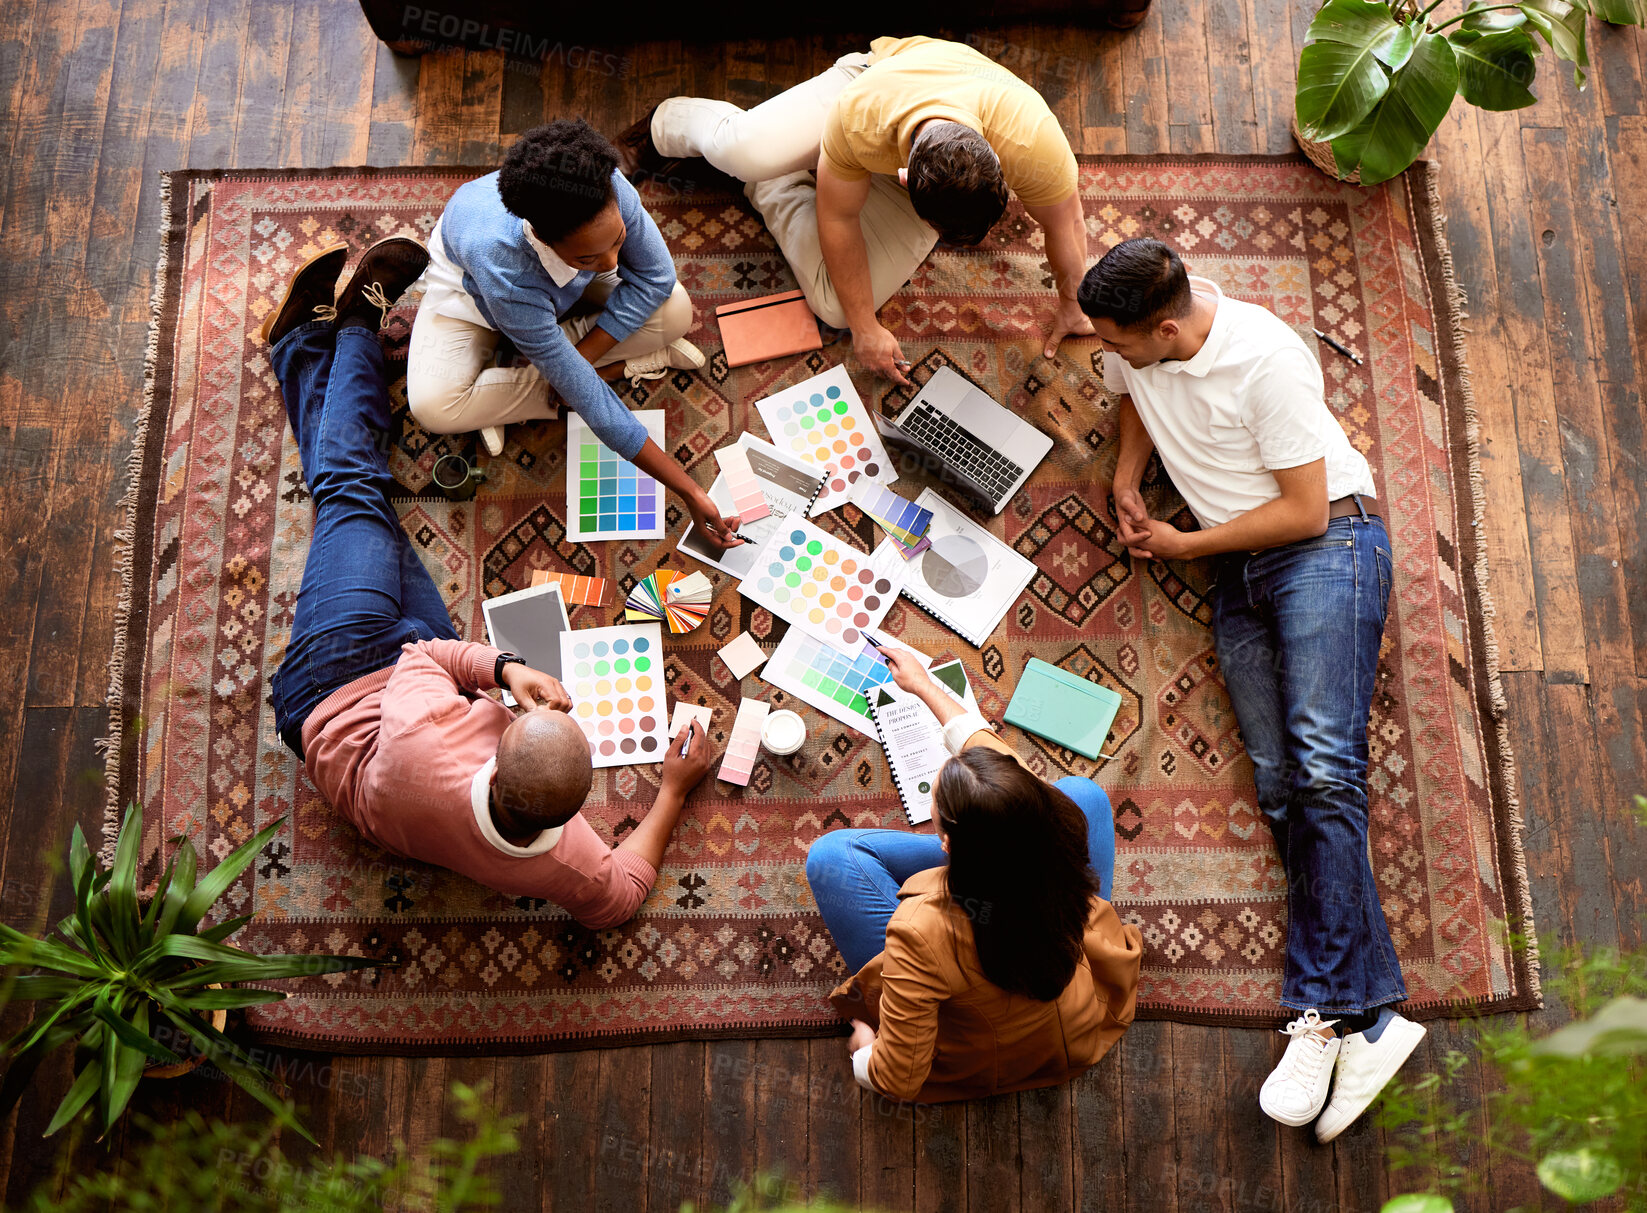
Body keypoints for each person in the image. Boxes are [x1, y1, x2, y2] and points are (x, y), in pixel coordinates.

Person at [261, 239, 717, 930]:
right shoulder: (561, 857)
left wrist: (503, 668)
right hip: (405, 695)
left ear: (495, 754)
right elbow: (620, 899)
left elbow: (423, 660)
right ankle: (308, 339)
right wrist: (675, 791)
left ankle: (344, 330)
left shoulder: (428, 733)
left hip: (332, 686)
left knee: (354, 491)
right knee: (367, 511)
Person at [1078, 237, 1426, 1140]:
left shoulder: (1265, 361)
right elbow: (1133, 399)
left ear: (1164, 325)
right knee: (1281, 785)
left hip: (1324, 549)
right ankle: (1375, 1020)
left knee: (1323, 767)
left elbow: (1304, 509)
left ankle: (1317, 1012)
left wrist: (1184, 544)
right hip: (1239, 569)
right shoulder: (1141, 349)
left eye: (1117, 342)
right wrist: (1125, 476)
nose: (1105, 355)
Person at [616, 35, 1093, 386]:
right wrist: (869, 330)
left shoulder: (1034, 143)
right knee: (742, 150)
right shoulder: (859, 115)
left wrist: (1073, 303)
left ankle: (774, 182)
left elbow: (1066, 222)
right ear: (907, 182)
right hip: (867, 85)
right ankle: (665, 124)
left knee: (836, 307)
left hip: (921, 148)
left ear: (998, 163)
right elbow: (837, 218)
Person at [804, 649, 1141, 1103]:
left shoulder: (921, 929)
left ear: (949, 846)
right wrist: (923, 686)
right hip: (1080, 1020)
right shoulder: (1056, 823)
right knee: (1084, 793)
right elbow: (987, 751)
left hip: (991, 1056)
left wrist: (866, 1051)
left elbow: (899, 1079)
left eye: (937, 805)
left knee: (830, 856)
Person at [407, 118, 740, 550]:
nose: (612, 264)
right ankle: (557, 368)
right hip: (473, 299)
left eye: (618, 240)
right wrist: (690, 491)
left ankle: (511, 391)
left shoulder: (609, 187)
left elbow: (655, 278)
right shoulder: (505, 267)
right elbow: (594, 405)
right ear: (544, 237)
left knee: (675, 308)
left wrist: (579, 358)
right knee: (433, 408)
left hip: (550, 298)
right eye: (589, 256)